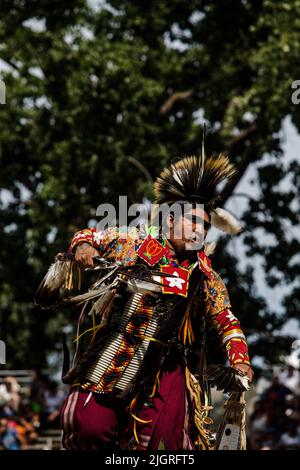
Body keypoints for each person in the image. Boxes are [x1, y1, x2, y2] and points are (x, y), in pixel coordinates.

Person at [36, 152, 253, 450]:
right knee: (88, 426)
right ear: (172, 219)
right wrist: (83, 247)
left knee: (164, 443)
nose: (199, 230)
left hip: (168, 369)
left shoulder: (204, 275)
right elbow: (87, 235)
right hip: (116, 350)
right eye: (193, 221)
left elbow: (226, 320)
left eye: (205, 225)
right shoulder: (135, 244)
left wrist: (240, 361)